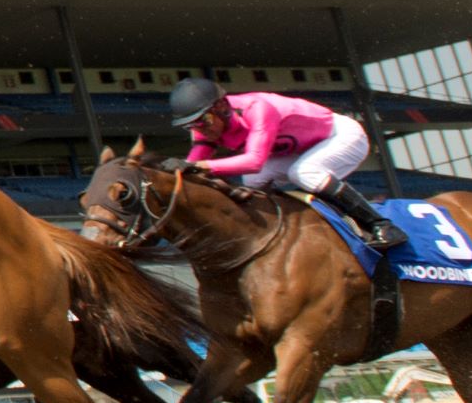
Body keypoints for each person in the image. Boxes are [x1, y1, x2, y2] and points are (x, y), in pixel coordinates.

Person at [173, 74, 405, 337]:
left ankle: (380, 225)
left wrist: (198, 166)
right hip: (297, 150)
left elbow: (253, 160)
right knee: (254, 182)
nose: (201, 130)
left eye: (203, 122)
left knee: (304, 173)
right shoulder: (204, 124)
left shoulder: (258, 109)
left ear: (221, 108)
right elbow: (193, 165)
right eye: (191, 125)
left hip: (341, 137)